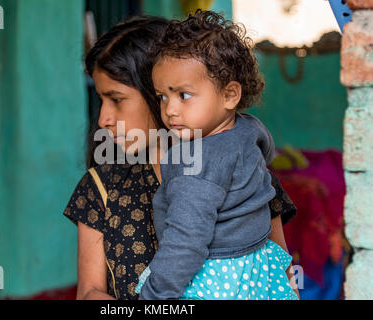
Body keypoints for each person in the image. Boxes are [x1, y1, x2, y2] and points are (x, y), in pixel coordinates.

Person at [63, 15, 297, 300]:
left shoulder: (247, 170)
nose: (104, 118)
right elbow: (90, 293)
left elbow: (282, 274)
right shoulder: (100, 188)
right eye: (101, 100)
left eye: (117, 99)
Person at [134, 10, 299, 300]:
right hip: (258, 267)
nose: (170, 109)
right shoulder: (249, 128)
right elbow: (267, 155)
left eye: (183, 95)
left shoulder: (195, 164)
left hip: (215, 279)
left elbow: (186, 242)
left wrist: (155, 295)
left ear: (229, 95)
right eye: (163, 96)